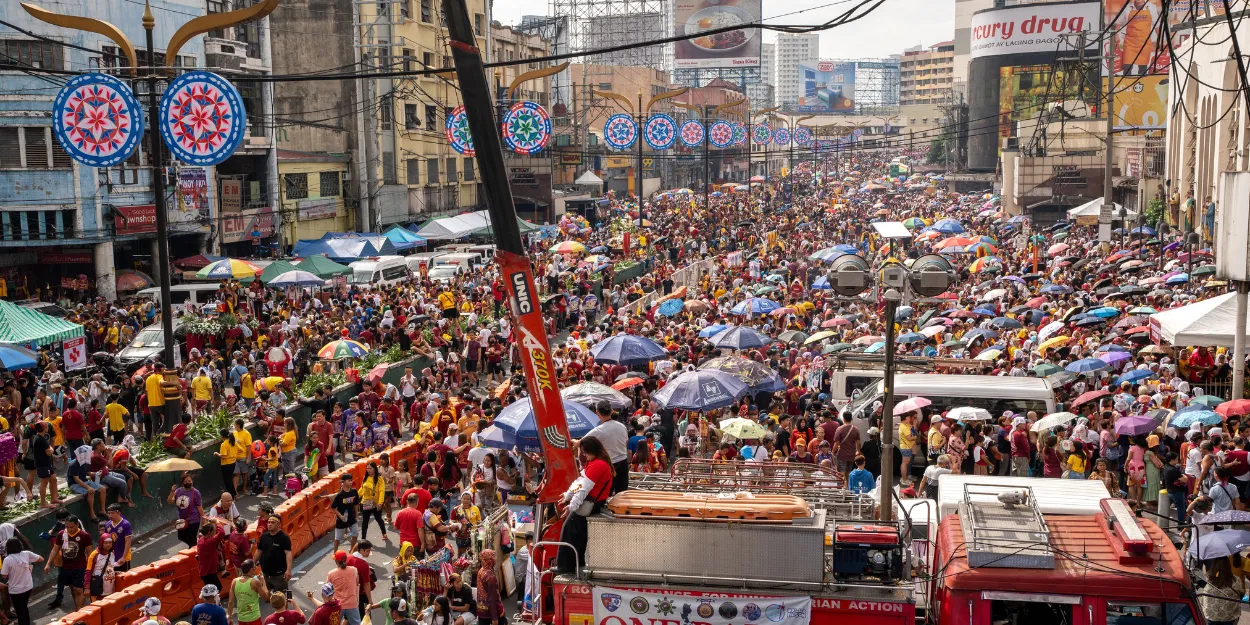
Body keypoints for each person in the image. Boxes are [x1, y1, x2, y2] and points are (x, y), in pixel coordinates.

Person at [555, 437, 613, 573]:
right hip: (594, 502)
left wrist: (571, 506)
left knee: (569, 531)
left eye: (585, 452)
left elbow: (583, 487)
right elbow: (580, 483)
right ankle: (576, 563)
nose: (584, 455)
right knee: (578, 535)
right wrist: (568, 495)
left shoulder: (597, 465)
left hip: (590, 503)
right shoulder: (599, 463)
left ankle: (565, 566)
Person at [579, 401, 629, 494]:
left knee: (606, 494)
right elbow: (626, 442)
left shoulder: (597, 431)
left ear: (597, 413)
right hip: (623, 462)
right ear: (612, 411)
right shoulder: (622, 426)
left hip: (609, 465)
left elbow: (581, 442)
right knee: (622, 494)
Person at [44, 514, 90, 610]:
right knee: (73, 589)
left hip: (80, 566)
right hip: (66, 567)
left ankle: (79, 611)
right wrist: (48, 563)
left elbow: (89, 553)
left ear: (77, 524)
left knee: (78, 589)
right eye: (67, 527)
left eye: (71, 527)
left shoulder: (84, 536)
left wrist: (89, 568)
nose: (69, 529)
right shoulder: (61, 534)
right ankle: (78, 607)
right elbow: (55, 549)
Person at [1, 537, 41, 625]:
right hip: (28, 587)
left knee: (20, 611)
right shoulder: (26, 554)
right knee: (23, 607)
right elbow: (41, 559)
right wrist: (28, 564)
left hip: (16, 590)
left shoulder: (7, 560)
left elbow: (4, 576)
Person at [254, 512, 293, 592]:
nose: (269, 524)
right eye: (268, 522)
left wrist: (288, 570)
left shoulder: (284, 538)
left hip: (279, 575)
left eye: (272, 522)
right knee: (268, 597)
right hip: (265, 574)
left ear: (279, 525)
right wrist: (252, 563)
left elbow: (288, 553)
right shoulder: (264, 536)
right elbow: (259, 551)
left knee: (282, 598)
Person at [1200, 557, 1242, 625]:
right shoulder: (1236, 580)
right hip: (1230, 616)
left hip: (1211, 616)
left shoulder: (1207, 579)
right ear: (1228, 566)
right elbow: (1240, 594)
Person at [229, 559, 270, 625]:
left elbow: (230, 602)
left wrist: (229, 617)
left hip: (241, 619)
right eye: (254, 567)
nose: (256, 568)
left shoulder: (234, 581)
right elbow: (266, 598)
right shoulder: (255, 582)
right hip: (254, 618)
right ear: (251, 570)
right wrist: (263, 581)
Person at [328, 473, 360, 554]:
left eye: (351, 480)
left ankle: (352, 551)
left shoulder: (354, 492)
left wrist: (356, 515)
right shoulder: (340, 495)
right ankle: (335, 553)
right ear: (343, 482)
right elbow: (333, 507)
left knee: (355, 535)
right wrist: (341, 516)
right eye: (348, 481)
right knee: (338, 539)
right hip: (341, 520)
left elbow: (356, 504)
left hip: (352, 518)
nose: (350, 482)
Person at [326, 551, 362, 625]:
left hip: (337, 605)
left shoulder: (331, 573)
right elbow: (357, 583)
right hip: (352, 603)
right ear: (346, 559)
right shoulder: (354, 570)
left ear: (336, 561)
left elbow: (328, 590)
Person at [169, 473, 203, 548]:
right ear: (182, 482)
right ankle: (196, 547)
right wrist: (172, 491)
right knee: (181, 537)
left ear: (192, 481)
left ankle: (194, 552)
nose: (188, 482)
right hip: (182, 519)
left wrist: (203, 518)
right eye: (186, 481)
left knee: (191, 538)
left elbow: (199, 507)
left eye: (189, 481)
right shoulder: (178, 491)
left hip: (194, 519)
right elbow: (170, 502)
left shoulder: (196, 492)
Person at [358, 462, 388, 542]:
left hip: (375, 503)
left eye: (370, 468)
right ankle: (363, 538)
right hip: (366, 503)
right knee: (365, 521)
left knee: (378, 519)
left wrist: (380, 503)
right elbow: (362, 489)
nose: (368, 470)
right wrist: (357, 495)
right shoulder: (365, 477)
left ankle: (384, 533)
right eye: (367, 468)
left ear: (374, 469)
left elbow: (382, 491)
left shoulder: (379, 478)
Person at [84, 533, 119, 601]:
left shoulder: (112, 553)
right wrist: (87, 588)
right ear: (101, 543)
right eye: (105, 543)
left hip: (110, 587)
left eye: (110, 543)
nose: (108, 545)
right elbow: (88, 571)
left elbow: (110, 566)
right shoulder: (94, 555)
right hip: (98, 588)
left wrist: (115, 572)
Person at [475, 549, 504, 625]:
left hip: (482, 610)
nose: (495, 560)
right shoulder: (490, 577)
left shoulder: (481, 571)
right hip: (492, 612)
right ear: (490, 560)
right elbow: (492, 598)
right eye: (494, 558)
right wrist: (494, 618)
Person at [102, 503, 133, 571]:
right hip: (111, 558)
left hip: (123, 558)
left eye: (112, 513)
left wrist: (123, 557)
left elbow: (128, 542)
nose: (110, 515)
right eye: (109, 513)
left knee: (124, 578)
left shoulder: (125, 524)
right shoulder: (108, 525)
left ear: (118, 512)